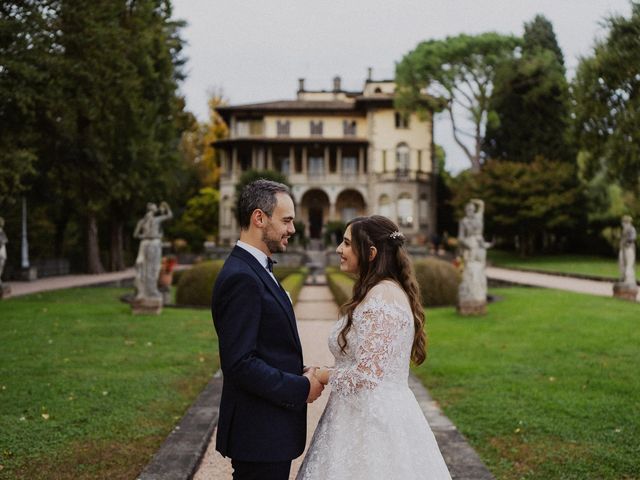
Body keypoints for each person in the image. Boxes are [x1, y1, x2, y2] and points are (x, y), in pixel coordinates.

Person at [297, 215, 451, 480]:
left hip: (373, 423)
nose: (338, 249)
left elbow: (367, 376)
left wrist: (322, 375)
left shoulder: (382, 296)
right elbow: (364, 363)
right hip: (354, 414)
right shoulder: (376, 291)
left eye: (346, 243)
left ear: (371, 252)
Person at [211, 179, 324, 480]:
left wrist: (299, 370)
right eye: (286, 220)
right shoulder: (242, 277)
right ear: (259, 218)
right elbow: (240, 363)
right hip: (259, 434)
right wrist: (301, 388)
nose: (293, 229)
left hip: (268, 433)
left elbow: (266, 348)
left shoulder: (257, 269)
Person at [133, 201, 172, 300]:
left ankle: (151, 290)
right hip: (148, 244)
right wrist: (147, 236)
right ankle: (146, 291)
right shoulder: (146, 221)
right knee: (147, 268)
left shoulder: (155, 220)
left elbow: (169, 215)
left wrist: (166, 206)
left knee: (154, 268)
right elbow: (136, 235)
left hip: (153, 243)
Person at [618, 215, 637, 286]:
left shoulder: (632, 229)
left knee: (629, 264)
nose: (624, 223)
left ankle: (629, 279)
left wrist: (626, 242)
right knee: (621, 263)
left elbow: (632, 238)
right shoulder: (624, 230)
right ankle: (623, 277)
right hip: (623, 248)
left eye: (625, 221)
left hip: (629, 248)